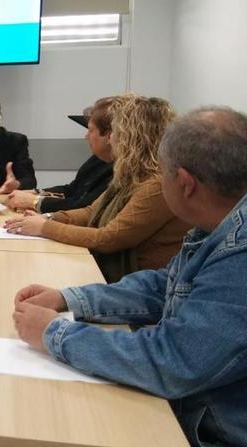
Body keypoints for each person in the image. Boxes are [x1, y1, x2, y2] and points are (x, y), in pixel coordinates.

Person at [12, 106, 247, 446]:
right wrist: (69, 298)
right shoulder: (218, 225)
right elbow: (163, 284)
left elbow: (172, 361)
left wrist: (55, 332)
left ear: (184, 184)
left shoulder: (239, 255)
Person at [5, 94, 191, 281]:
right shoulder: (131, 176)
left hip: (141, 289)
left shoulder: (156, 184)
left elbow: (109, 239)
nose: (111, 140)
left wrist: (45, 227)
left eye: (115, 132)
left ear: (131, 138)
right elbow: (90, 212)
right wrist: (47, 218)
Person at [6, 98, 114, 213]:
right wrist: (36, 192)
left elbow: (84, 206)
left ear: (109, 135)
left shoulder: (120, 171)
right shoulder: (99, 158)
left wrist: (36, 202)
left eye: (90, 130)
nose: (86, 136)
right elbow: (72, 189)